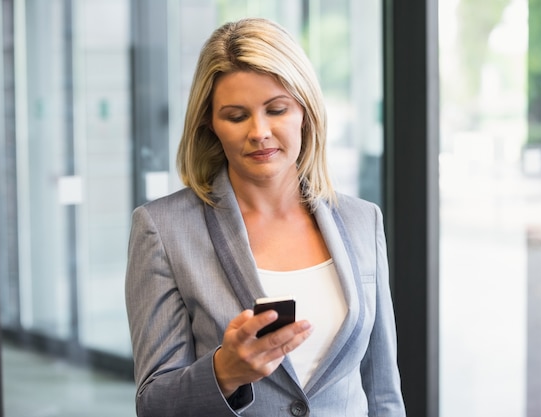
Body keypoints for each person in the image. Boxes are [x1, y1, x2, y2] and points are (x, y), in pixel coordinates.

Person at [125, 17, 405, 417]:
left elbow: (382, 392)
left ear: (305, 111)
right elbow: (153, 404)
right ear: (209, 123)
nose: (259, 132)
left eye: (276, 109)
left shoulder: (363, 220)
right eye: (237, 116)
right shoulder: (163, 230)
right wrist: (225, 372)